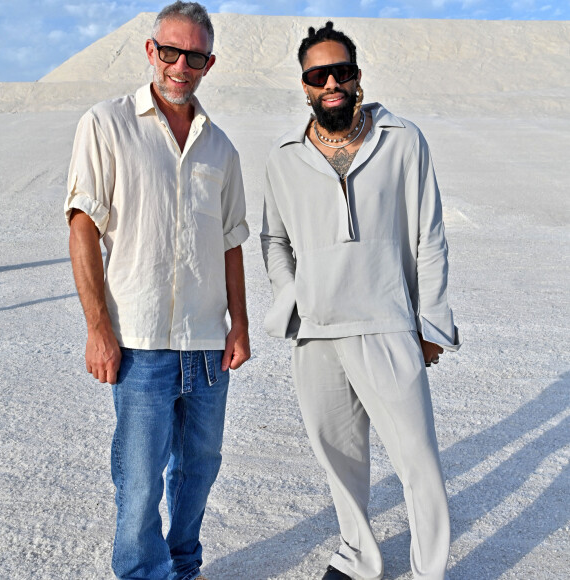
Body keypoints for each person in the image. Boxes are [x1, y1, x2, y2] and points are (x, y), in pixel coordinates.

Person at [261, 22, 461, 580]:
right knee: (338, 458)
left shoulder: (402, 139)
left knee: (417, 460)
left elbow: (430, 234)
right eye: (318, 74)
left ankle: (429, 571)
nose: (331, 82)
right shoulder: (283, 157)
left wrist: (430, 322)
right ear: (304, 85)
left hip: (387, 323)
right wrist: (290, 296)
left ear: (358, 77)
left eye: (341, 72)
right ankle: (359, 558)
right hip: (317, 329)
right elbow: (273, 239)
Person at [65, 3, 250, 579]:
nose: (180, 65)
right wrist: (98, 329)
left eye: (194, 56)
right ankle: (144, 573)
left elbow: (231, 242)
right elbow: (82, 226)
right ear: (151, 51)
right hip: (139, 340)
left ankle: (184, 565)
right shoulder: (107, 122)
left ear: (208, 63)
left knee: (200, 468)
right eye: (169, 51)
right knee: (140, 476)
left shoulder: (221, 148)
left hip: (206, 344)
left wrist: (238, 325)